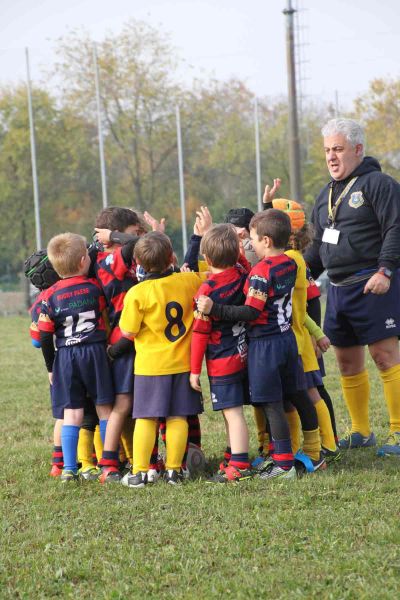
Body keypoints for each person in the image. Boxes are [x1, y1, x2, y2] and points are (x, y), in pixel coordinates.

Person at [304, 117, 400, 455]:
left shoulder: (379, 184)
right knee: (346, 362)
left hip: (373, 283)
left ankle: (398, 432)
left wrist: (385, 270)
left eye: (338, 149)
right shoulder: (325, 194)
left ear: (358, 149)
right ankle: (361, 431)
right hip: (339, 290)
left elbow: (395, 228)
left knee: (385, 356)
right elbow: (317, 246)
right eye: (328, 150)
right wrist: (299, 274)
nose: (331, 156)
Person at [198, 210, 299, 481]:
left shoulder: (261, 272)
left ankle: (284, 464)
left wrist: (215, 308)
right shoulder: (291, 263)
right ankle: (292, 454)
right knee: (287, 399)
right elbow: (243, 264)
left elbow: (251, 312)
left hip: (266, 344)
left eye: (252, 239)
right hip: (286, 336)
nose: (248, 244)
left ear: (266, 240)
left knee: (270, 403)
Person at [119, 231, 204, 487]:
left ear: (138, 264)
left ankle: (140, 472)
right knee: (178, 417)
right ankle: (174, 471)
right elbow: (210, 275)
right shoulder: (189, 281)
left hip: (150, 367)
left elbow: (128, 332)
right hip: (183, 364)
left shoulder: (137, 293)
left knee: (146, 418)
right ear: (171, 257)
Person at [38, 233, 115, 482]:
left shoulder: (48, 296)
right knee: (104, 409)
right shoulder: (95, 288)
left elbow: (44, 335)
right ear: (84, 261)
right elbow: (105, 317)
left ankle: (69, 469)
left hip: (66, 357)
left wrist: (51, 367)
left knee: (71, 415)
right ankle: (108, 464)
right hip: (94, 353)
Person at [190, 224, 251, 483]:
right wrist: (239, 251)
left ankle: (239, 465)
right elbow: (245, 263)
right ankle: (232, 453)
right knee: (232, 410)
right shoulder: (242, 273)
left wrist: (194, 371)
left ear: (207, 259)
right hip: (245, 353)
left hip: (222, 360)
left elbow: (200, 333)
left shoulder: (207, 291)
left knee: (232, 412)